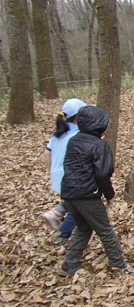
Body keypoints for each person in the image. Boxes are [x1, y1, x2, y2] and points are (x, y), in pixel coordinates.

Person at [58, 106, 128, 276]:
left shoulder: (73, 140)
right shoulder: (99, 145)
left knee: (83, 228)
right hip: (86, 195)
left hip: (68, 193)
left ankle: (68, 265)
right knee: (104, 229)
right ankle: (118, 264)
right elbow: (103, 174)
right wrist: (110, 195)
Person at [42, 99, 87, 244]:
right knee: (78, 208)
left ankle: (58, 214)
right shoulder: (78, 135)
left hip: (59, 178)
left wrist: (53, 173)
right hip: (72, 178)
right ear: (78, 117)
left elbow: (47, 154)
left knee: (74, 203)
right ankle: (62, 234)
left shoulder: (58, 133)